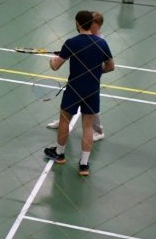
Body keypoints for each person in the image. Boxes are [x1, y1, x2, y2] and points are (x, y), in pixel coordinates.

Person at [42, 10, 114, 176]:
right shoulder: (102, 43)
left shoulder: (71, 42)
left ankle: (60, 154)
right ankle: (84, 165)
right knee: (87, 126)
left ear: (78, 23)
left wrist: (51, 61)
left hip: (74, 88)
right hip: (92, 90)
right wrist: (96, 72)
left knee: (64, 120)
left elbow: (56, 66)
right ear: (91, 24)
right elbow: (111, 66)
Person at [47, 10, 106, 141]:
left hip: (91, 80)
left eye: (92, 23)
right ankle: (63, 123)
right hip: (78, 79)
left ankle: (99, 131)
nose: (89, 24)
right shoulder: (85, 37)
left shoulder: (100, 41)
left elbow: (105, 65)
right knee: (71, 104)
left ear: (98, 25)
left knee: (91, 109)